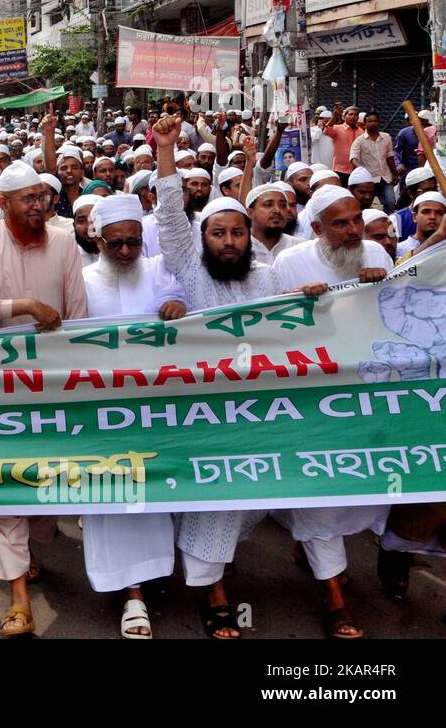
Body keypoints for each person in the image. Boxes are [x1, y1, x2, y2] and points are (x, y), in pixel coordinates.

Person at [149, 113, 278, 639]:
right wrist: (165, 148)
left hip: (259, 408)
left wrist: (317, 302)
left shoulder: (269, 278)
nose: (229, 241)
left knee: (248, 499)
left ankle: (202, 566)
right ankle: (214, 591)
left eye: (237, 232)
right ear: (203, 239)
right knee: (216, 498)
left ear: (250, 236)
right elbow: (170, 219)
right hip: (202, 407)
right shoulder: (190, 267)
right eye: (219, 233)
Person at [0, 161, 88, 637]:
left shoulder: (65, 242)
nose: (38, 206)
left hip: (49, 387)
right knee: (4, 485)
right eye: (26, 199)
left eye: (42, 197)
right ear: (1, 204)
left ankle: (29, 553)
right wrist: (23, 308)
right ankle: (18, 600)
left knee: (45, 490)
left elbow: (78, 317)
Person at [271, 185, 393, 639]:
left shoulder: (377, 252)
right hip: (312, 395)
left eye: (357, 219)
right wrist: (302, 301)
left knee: (368, 485)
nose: (353, 230)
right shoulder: (291, 262)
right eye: (340, 224)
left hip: (368, 390)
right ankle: (335, 598)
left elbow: (396, 313)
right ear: (318, 228)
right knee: (322, 490)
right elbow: (274, 328)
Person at [78, 194, 186, 638]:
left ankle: (151, 573)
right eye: (115, 243)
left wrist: (177, 304)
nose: (125, 251)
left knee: (152, 493)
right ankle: (131, 594)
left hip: (155, 408)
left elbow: (184, 300)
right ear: (97, 238)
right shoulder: (81, 279)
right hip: (97, 412)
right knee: (111, 495)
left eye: (133, 242)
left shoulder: (160, 269)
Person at [396, 192, 445, 258]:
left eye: (439, 213)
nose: (433, 217)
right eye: (426, 212)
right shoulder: (399, 249)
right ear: (414, 217)